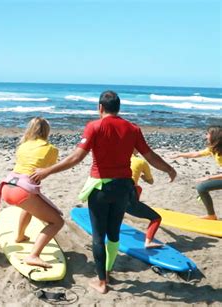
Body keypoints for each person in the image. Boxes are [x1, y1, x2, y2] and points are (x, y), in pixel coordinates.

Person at [30, 91, 176, 294]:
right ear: (118, 108)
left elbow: (76, 157)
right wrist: (169, 169)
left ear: (100, 108)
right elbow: (149, 155)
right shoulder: (133, 128)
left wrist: (47, 171)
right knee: (114, 234)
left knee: (98, 237)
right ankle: (107, 271)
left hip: (101, 188)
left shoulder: (94, 126)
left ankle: (101, 282)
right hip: (124, 188)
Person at [0, 117, 64, 268]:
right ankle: (33, 255)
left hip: (7, 187)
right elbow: (49, 167)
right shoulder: (51, 149)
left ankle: (20, 236)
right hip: (23, 191)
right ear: (47, 131)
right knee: (57, 222)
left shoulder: (22, 146)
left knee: (29, 207)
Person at [170, 125, 222, 220]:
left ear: (215, 136)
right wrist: (179, 154)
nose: (206, 136)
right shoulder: (213, 149)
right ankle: (211, 215)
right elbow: (196, 154)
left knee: (202, 186)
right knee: (202, 188)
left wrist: (209, 178)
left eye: (208, 134)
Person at [126, 150, 163, 248]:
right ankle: (148, 242)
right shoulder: (140, 162)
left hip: (113, 194)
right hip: (129, 197)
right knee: (156, 218)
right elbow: (151, 181)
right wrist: (144, 178)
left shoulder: (117, 158)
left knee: (138, 188)